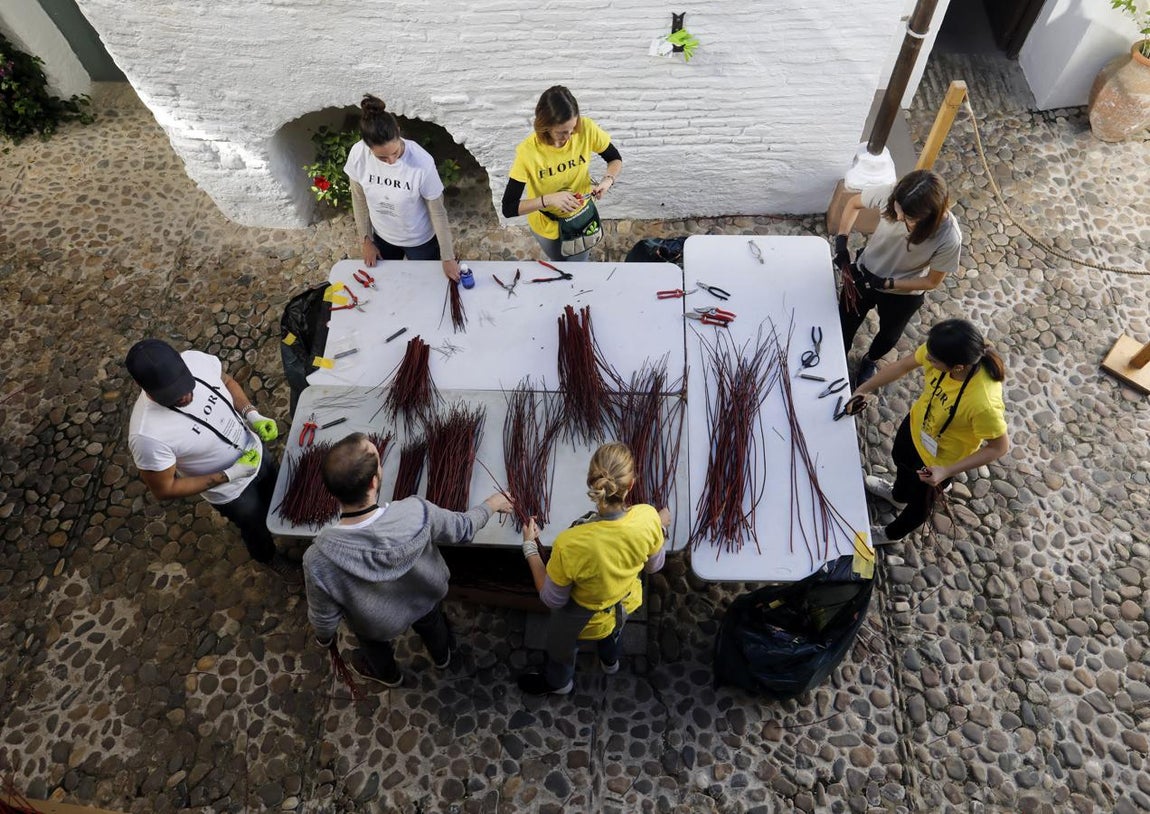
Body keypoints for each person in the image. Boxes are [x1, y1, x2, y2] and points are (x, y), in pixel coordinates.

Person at [303, 432, 513, 688]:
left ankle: (389, 676)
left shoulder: (317, 559)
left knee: (372, 645)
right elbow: (462, 528)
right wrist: (491, 504)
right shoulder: (416, 512)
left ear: (331, 491)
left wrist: (324, 640)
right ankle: (442, 655)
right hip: (425, 597)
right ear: (373, 482)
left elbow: (324, 616)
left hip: (377, 624)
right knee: (433, 623)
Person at [124, 339, 300, 584]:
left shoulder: (195, 359)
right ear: (141, 386)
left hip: (256, 451)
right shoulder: (147, 436)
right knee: (255, 525)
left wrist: (251, 413)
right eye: (172, 395)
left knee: (280, 490)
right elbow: (165, 489)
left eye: (186, 385)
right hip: (234, 493)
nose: (186, 396)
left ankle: (292, 523)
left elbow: (226, 381)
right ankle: (269, 557)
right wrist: (229, 475)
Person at [517, 442, 669, 696]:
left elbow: (552, 598)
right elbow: (655, 565)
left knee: (561, 649)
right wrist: (659, 527)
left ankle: (559, 683)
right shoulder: (648, 517)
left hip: (581, 621)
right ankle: (610, 663)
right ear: (631, 485)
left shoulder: (571, 543)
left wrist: (530, 548)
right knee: (613, 635)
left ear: (592, 483)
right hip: (623, 605)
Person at [846, 319, 1009, 545]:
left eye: (933, 359)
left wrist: (946, 471)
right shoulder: (938, 351)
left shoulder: (984, 403)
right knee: (901, 462)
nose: (926, 358)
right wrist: (864, 389)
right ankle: (897, 496)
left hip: (938, 460)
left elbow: (998, 447)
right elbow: (903, 365)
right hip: (915, 427)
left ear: (958, 367)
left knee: (920, 505)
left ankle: (892, 534)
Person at [834, 170, 962, 386]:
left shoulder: (949, 237)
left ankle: (870, 360)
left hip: (903, 292)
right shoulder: (890, 192)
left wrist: (888, 283)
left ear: (932, 215)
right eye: (898, 210)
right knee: (845, 322)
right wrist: (841, 241)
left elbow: (932, 281)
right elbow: (854, 204)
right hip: (865, 272)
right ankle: (838, 355)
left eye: (909, 217)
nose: (900, 218)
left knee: (889, 336)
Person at [345, 94, 461, 281]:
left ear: (398, 133)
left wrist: (448, 257)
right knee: (388, 285)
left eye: (395, 152)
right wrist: (366, 240)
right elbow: (358, 199)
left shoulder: (422, 163)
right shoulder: (358, 155)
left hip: (420, 241)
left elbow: (438, 212)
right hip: (382, 238)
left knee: (424, 284)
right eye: (382, 158)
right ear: (367, 146)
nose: (391, 161)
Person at [501, 85, 623, 262]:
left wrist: (607, 180)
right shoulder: (528, 152)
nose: (570, 136)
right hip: (546, 225)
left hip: (581, 219)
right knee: (559, 263)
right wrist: (548, 199)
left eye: (572, 129)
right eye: (562, 132)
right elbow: (509, 207)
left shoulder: (586, 129)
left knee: (578, 265)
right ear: (545, 126)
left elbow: (614, 158)